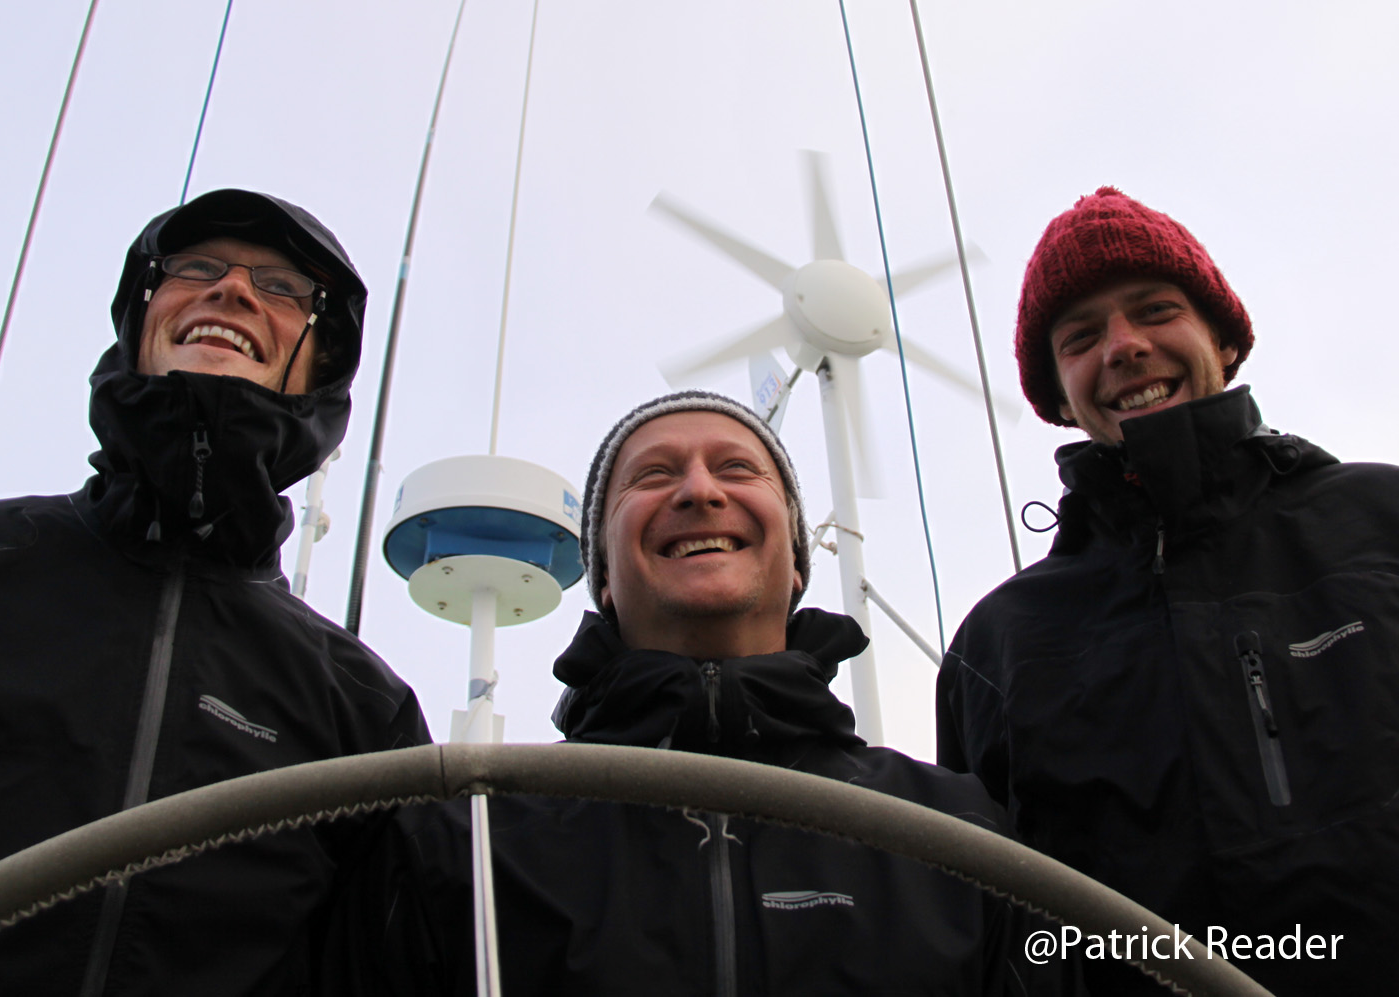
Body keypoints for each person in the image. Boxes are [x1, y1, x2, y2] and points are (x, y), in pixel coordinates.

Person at [0, 189, 429, 993]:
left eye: (281, 287)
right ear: (140, 322)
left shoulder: (363, 712)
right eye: (195, 267)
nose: (232, 290)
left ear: (319, 367)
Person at [369, 391, 1066, 995]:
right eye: (653, 474)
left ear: (797, 561)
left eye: (736, 468)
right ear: (604, 576)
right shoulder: (469, 841)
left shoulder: (958, 834)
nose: (700, 491)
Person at [936, 186, 1399, 992]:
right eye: (1081, 337)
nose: (1124, 346)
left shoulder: (1380, 522)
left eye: (1155, 310)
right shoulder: (997, 646)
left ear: (1222, 336)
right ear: (1057, 392)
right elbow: (994, 934)